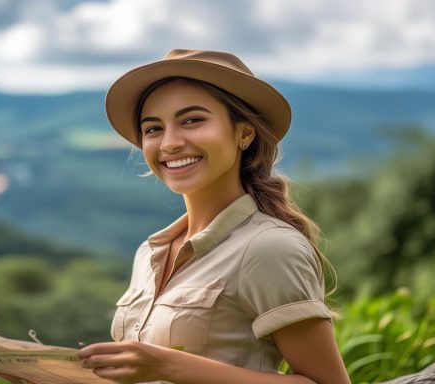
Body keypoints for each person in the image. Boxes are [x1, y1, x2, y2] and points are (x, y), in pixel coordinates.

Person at [78, 49, 351, 384]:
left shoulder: (269, 248)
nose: (170, 143)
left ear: (244, 134)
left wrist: (169, 366)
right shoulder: (149, 253)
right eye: (153, 129)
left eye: (192, 120)